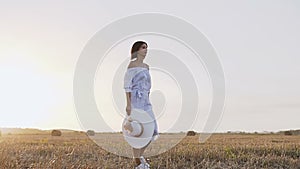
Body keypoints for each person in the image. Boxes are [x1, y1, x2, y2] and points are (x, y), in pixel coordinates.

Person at [123, 41, 159, 169]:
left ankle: (138, 156)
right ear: (137, 50)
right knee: (138, 131)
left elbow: (148, 85)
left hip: (146, 101)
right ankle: (138, 163)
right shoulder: (132, 65)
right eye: (143, 47)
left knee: (153, 131)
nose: (146, 50)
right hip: (136, 101)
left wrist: (147, 97)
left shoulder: (147, 67)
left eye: (147, 48)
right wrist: (128, 104)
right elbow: (127, 85)